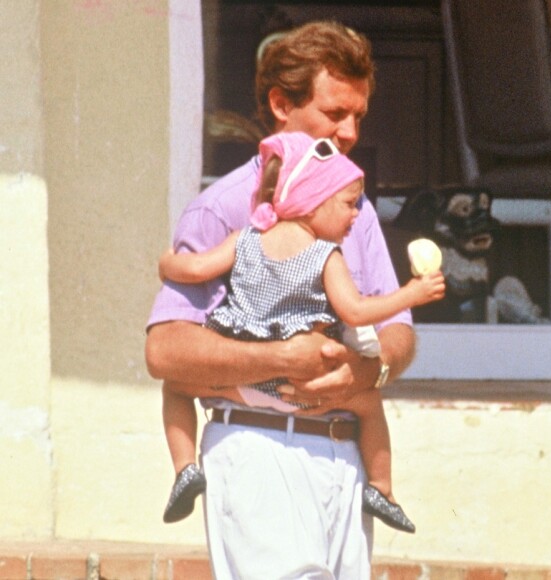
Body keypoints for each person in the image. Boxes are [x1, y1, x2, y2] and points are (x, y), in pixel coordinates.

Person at [147, 20, 420, 579]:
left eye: (359, 116)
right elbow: (166, 353)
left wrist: (366, 372)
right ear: (280, 104)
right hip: (257, 448)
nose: (349, 131)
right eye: (334, 113)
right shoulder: (221, 209)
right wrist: (279, 359)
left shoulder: (354, 209)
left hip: (343, 454)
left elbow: (399, 330)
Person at [158, 131, 445, 534]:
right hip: (304, 389)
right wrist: (411, 294)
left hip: (247, 388)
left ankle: (185, 469)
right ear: (313, 201)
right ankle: (383, 489)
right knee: (368, 401)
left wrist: (165, 265)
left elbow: (194, 269)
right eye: (348, 204)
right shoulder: (326, 256)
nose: (356, 215)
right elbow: (357, 310)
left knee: (176, 387)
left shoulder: (244, 240)